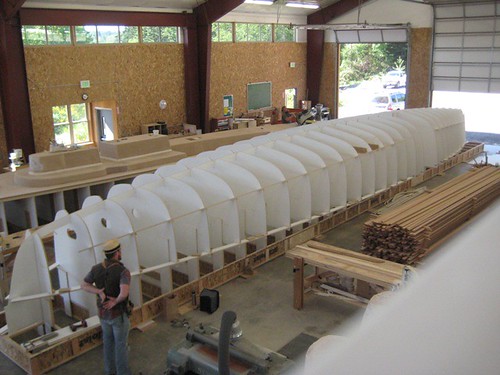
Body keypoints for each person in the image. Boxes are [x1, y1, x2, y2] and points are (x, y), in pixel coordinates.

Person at [81, 239, 132, 375]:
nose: (120, 253)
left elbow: (84, 285)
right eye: (119, 251)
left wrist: (99, 291)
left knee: (108, 344)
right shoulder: (123, 271)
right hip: (118, 315)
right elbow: (124, 293)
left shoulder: (96, 269)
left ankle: (110, 371)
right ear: (116, 253)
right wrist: (115, 302)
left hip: (103, 315)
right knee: (120, 346)